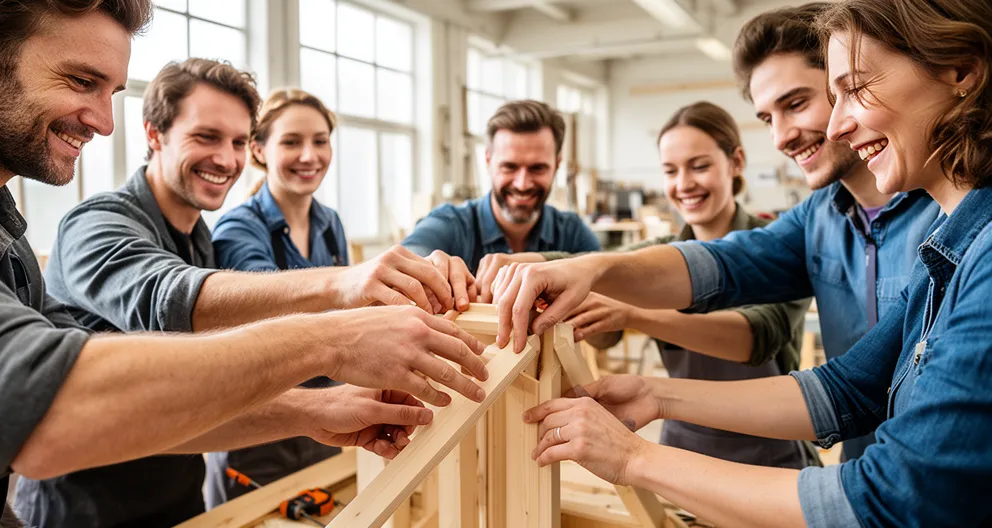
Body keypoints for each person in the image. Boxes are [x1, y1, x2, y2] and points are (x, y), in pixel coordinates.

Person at [0, 2, 487, 528]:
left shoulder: (6, 229)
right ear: (155, 134)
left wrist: (314, 411)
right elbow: (157, 307)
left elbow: (153, 407)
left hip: (177, 500)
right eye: (81, 81)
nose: (103, 122)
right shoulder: (95, 223)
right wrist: (338, 313)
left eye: (239, 142)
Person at [501, 0, 992, 525]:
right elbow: (846, 387)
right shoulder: (940, 240)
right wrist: (649, 385)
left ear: (960, 71)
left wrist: (633, 456)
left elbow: (893, 497)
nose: (835, 124)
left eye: (850, 89)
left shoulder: (968, 245)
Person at [562, 101, 814, 468]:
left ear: (736, 162)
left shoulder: (779, 246)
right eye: (670, 171)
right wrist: (529, 270)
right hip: (682, 451)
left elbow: (754, 337)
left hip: (769, 453)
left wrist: (634, 314)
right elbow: (596, 306)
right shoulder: (659, 252)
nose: (684, 185)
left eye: (699, 166)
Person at [205, 89, 348, 506]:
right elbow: (274, 322)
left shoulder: (329, 221)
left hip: (325, 417)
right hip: (260, 432)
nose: (309, 155)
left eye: (320, 141)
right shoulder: (237, 229)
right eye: (291, 142)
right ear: (259, 149)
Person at [401, 100, 600, 294]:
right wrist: (427, 263)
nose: (522, 184)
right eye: (509, 167)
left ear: (557, 164)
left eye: (537, 168)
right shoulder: (451, 224)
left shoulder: (572, 232)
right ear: (488, 160)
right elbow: (408, 256)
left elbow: (606, 275)